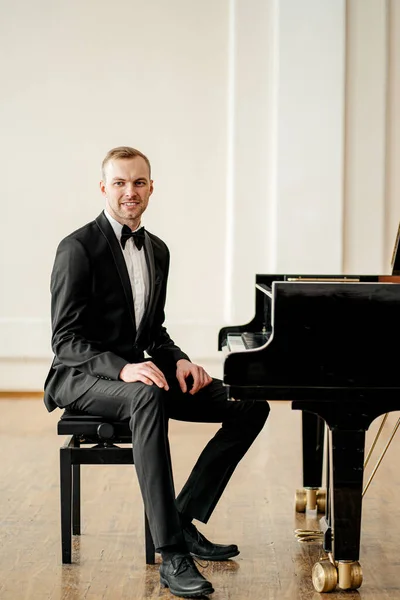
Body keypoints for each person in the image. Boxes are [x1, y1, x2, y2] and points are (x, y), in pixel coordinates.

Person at [44, 146, 270, 598]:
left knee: (249, 404)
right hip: (82, 376)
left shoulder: (158, 250)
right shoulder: (77, 247)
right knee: (146, 395)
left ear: (151, 187)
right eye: (121, 183)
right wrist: (124, 368)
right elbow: (65, 340)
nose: (131, 191)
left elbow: (154, 330)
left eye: (140, 182)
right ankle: (171, 553)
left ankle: (183, 520)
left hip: (137, 373)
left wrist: (180, 361)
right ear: (104, 187)